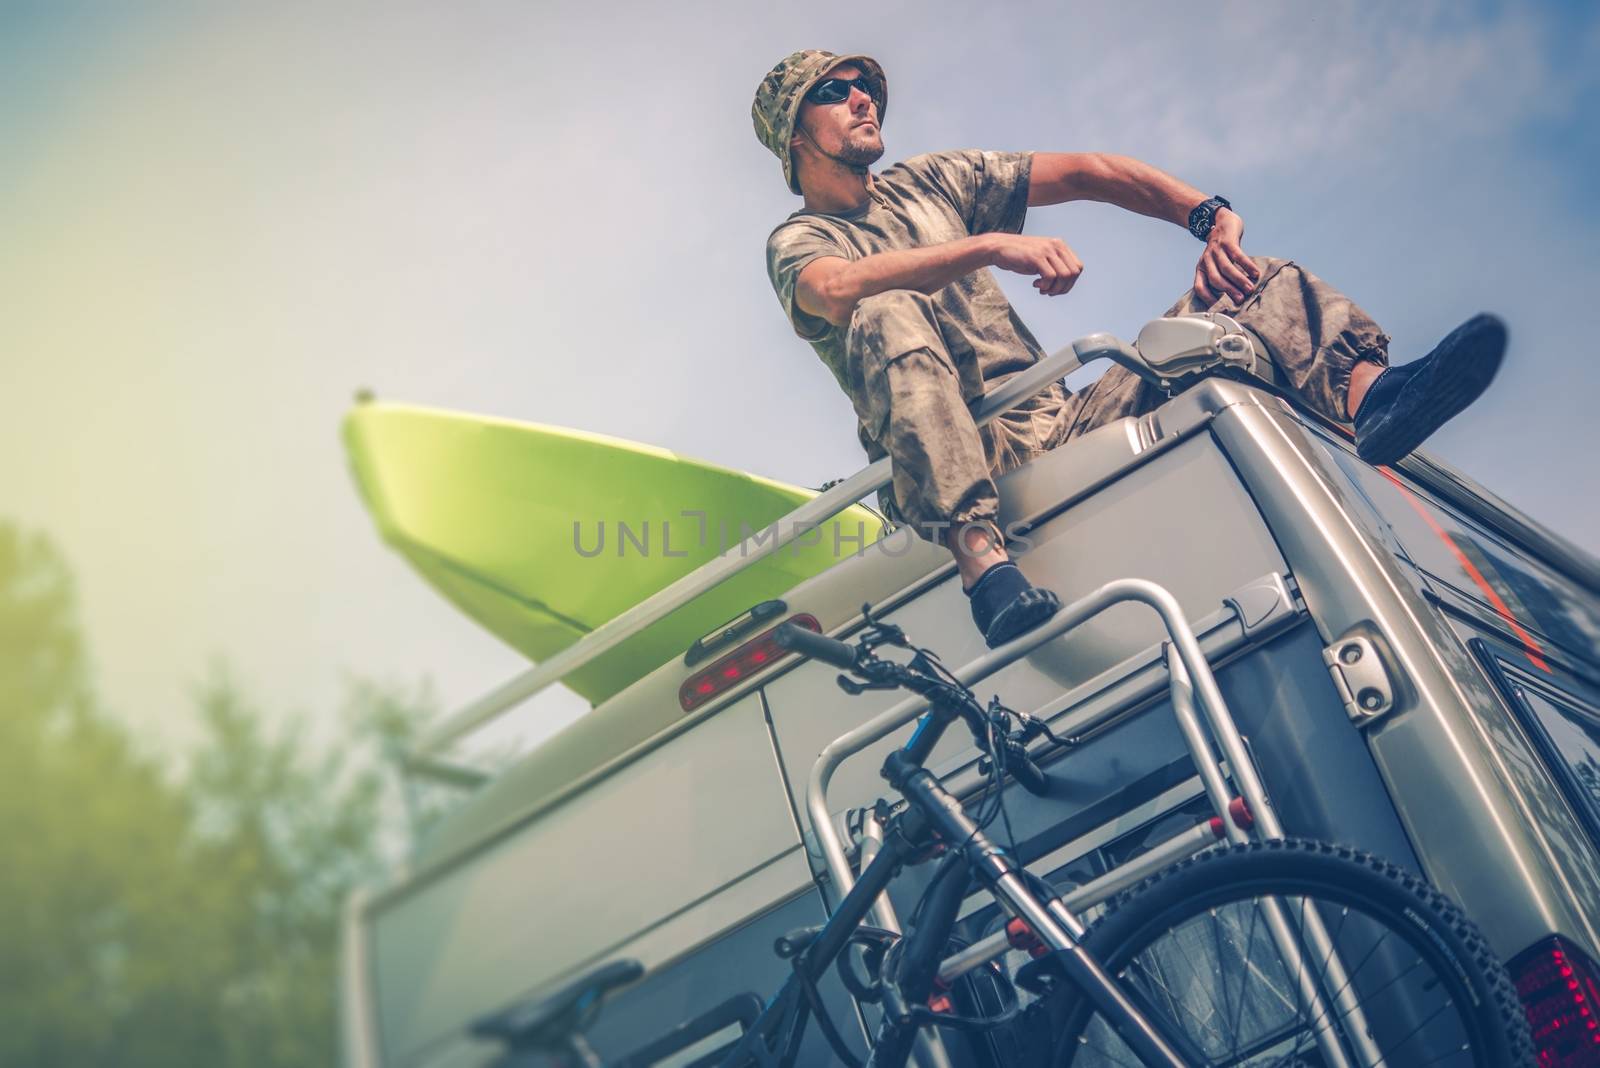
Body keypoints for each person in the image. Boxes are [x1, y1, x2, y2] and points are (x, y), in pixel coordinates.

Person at [753, 49, 1505, 648]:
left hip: (1060, 421)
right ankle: (982, 565)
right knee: (886, 309)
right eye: (837, 90)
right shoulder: (799, 240)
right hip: (965, 458)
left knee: (1245, 286)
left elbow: (1087, 173)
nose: (864, 98)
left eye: (867, 86)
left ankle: (1373, 398)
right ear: (795, 135)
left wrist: (1206, 215)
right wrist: (993, 246)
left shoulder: (929, 183)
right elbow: (836, 288)